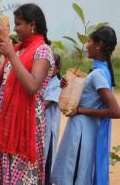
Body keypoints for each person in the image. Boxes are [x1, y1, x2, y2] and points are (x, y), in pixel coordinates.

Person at [0, 3, 54, 184]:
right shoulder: (17, 49)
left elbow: (32, 86)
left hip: (25, 124)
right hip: (5, 125)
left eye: (19, 24)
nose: (15, 29)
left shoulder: (42, 51)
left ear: (32, 24)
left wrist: (11, 55)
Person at [51, 26, 120, 185]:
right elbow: (90, 96)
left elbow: (115, 111)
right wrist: (69, 85)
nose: (87, 44)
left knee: (73, 174)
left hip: (81, 131)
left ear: (99, 44)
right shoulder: (101, 71)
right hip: (85, 129)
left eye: (89, 41)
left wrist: (80, 110)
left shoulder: (97, 75)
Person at [43, 53, 61, 184]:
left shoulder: (57, 85)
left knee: (46, 161)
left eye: (51, 67)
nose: (48, 69)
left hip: (48, 130)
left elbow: (46, 104)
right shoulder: (42, 82)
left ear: (58, 69)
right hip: (38, 130)